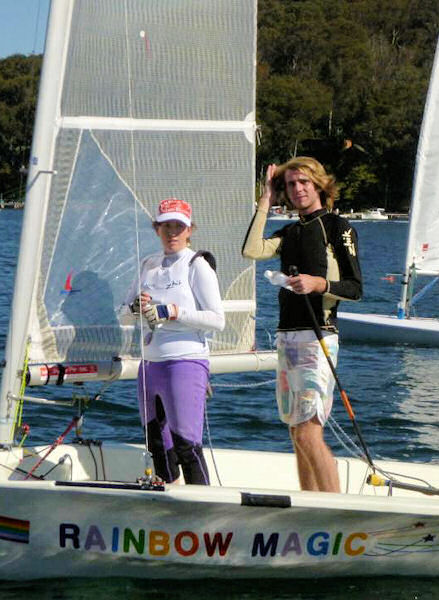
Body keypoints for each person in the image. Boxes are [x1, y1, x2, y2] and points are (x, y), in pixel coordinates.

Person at [242, 156, 362, 493]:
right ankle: (311, 503)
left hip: (318, 337)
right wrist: (266, 197)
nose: (297, 189)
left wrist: (317, 283)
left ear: (319, 185)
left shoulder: (339, 228)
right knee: (296, 431)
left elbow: (355, 288)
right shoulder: (289, 231)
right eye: (291, 184)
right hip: (287, 339)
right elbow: (251, 249)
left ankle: (333, 506)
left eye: (304, 182)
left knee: (309, 430)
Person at [121, 198, 224, 485]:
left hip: (185, 361)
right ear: (157, 229)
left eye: (179, 226)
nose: (172, 232)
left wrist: (173, 312)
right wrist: (135, 307)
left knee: (186, 444)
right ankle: (169, 497)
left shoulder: (197, 264)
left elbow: (217, 319)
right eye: (166, 226)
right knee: (156, 443)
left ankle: (203, 507)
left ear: (190, 230)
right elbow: (124, 313)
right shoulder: (148, 264)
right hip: (150, 363)